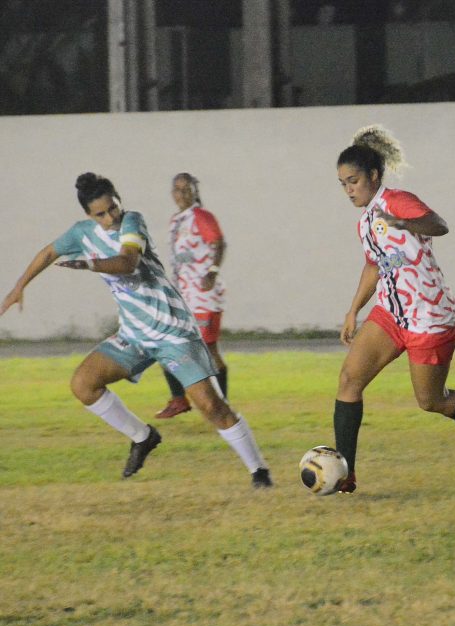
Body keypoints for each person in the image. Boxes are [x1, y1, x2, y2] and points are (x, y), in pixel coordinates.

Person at [0, 173, 272, 488]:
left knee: (211, 406)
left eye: (113, 208)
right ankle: (143, 437)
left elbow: (128, 262)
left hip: (173, 331)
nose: (110, 217)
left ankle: (259, 472)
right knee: (83, 384)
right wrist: (19, 286)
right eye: (100, 214)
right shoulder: (82, 233)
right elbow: (49, 252)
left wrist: (88, 265)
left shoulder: (132, 222)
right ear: (88, 216)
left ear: (119, 200)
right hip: (134, 334)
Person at [331, 125, 455, 493]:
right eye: (343, 183)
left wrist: (404, 223)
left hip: (429, 317)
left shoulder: (396, 201)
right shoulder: (365, 221)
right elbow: (374, 265)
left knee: (431, 401)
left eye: (353, 181)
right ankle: (345, 472)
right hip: (392, 314)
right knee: (349, 380)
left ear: (374, 176)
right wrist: (353, 310)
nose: (349, 190)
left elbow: (439, 225)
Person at [154, 172, 229, 418]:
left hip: (203, 296)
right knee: (166, 343)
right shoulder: (177, 220)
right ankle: (179, 399)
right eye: (177, 189)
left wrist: (213, 271)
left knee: (208, 350)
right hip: (183, 295)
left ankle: (221, 405)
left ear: (195, 191)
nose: (182, 194)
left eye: (187, 189)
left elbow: (219, 243)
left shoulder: (201, 217)